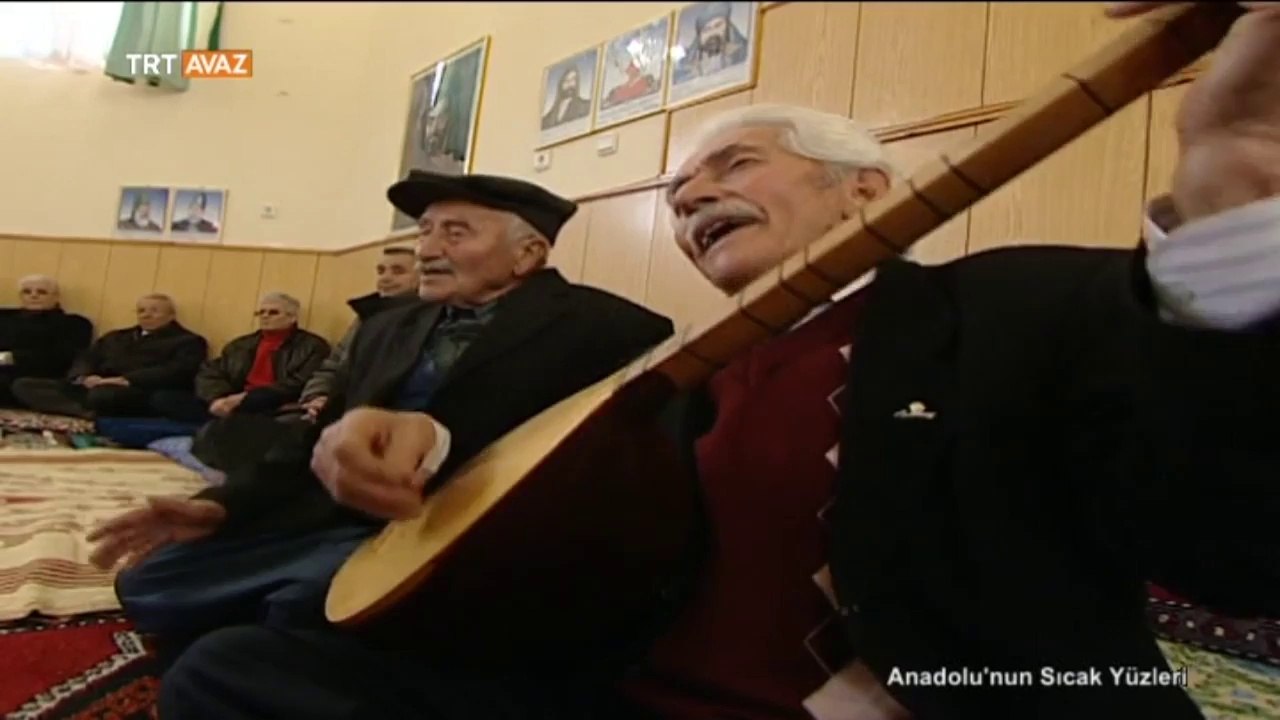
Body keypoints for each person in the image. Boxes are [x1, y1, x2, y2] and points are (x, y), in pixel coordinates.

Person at [129, 3, 1280, 719]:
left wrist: (1230, 212)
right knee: (240, 673)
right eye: (677, 200)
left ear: (867, 187)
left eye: (733, 164)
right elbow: (543, 482)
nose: (692, 202)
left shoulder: (1023, 300)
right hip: (623, 697)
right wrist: (407, 444)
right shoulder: (679, 370)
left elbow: (1232, 544)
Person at [88, 171, 674, 680]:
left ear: (528, 254)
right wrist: (221, 507)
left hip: (459, 540)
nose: (426, 249)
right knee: (150, 582)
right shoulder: (386, 327)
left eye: (456, 232)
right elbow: (318, 439)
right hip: (337, 521)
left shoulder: (612, 330)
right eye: (424, 231)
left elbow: (604, 474)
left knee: (299, 608)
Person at [11, 294, 207, 419]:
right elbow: (87, 357)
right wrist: (83, 377)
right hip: (92, 385)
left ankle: (85, 409)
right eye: (141, 311)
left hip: (133, 389)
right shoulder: (117, 336)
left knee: (105, 395)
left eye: (154, 311)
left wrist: (124, 380)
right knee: (24, 385)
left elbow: (176, 371)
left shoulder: (188, 341)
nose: (146, 315)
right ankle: (87, 412)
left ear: (171, 315)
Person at [150, 292, 330, 424]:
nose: (265, 316)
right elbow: (211, 371)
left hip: (273, 401)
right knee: (163, 398)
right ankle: (231, 421)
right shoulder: (241, 345)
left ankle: (227, 423)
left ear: (292, 317)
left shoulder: (312, 345)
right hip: (231, 400)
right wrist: (218, 398)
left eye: (273, 312)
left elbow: (299, 383)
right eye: (261, 313)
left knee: (260, 401)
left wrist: (244, 398)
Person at [298, 246, 421, 421]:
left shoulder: (425, 320)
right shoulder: (365, 317)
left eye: (398, 271)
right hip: (333, 410)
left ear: (421, 277)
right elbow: (332, 366)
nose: (385, 278)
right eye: (381, 271)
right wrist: (316, 396)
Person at [0, 275, 94, 407]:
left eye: (41, 292)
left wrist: (10, 357)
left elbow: (63, 357)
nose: (34, 296)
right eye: (27, 292)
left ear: (56, 297)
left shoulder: (74, 323)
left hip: (38, 375)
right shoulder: (5, 318)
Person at [672, 1, 750, 85]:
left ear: (728, 27)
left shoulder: (745, 52)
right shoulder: (685, 69)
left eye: (718, 25)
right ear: (699, 37)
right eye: (706, 30)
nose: (712, 33)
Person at [541, 65, 593, 129]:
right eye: (566, 80)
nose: (570, 83)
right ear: (560, 84)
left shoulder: (586, 106)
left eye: (573, 79)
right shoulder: (546, 119)